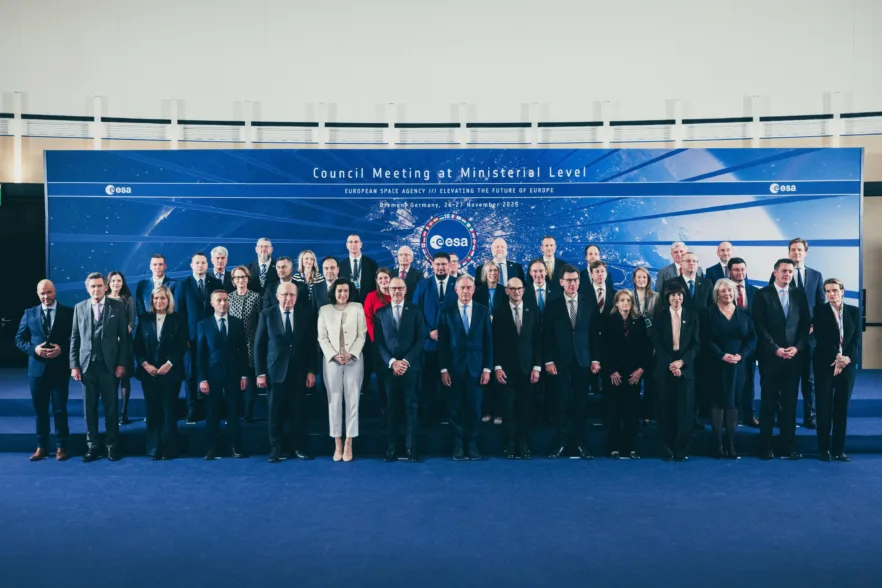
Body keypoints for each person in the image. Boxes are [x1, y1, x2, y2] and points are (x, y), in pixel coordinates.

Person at [70, 272, 131, 462]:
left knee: (111, 408)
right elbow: (74, 338)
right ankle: (92, 446)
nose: (96, 289)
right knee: (89, 409)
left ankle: (112, 446)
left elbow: (125, 340)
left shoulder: (117, 306)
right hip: (87, 367)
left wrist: (121, 364)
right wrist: (74, 365)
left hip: (109, 366)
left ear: (105, 287)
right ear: (87, 289)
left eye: (99, 286)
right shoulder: (79, 307)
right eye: (92, 286)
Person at [753, 258, 810, 460]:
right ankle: (765, 446)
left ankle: (787, 446)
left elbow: (805, 325)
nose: (787, 274)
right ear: (775, 272)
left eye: (790, 272)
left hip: (793, 358)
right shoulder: (762, 294)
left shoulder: (799, 294)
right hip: (770, 357)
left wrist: (797, 348)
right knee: (768, 402)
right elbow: (759, 326)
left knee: (790, 403)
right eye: (784, 271)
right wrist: (775, 349)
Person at [255, 282, 317, 463]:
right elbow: (259, 345)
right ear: (277, 296)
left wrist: (312, 371)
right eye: (285, 295)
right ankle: (276, 449)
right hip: (275, 372)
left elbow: (311, 346)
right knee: (274, 413)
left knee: (298, 412)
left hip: (299, 372)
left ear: (297, 297)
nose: (288, 298)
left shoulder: (306, 315)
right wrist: (260, 373)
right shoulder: (266, 314)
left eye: (292, 295)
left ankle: (297, 447)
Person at [544, 264, 602, 459]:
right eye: (568, 280)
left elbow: (594, 334)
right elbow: (547, 336)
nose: (572, 284)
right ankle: (560, 443)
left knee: (580, 405)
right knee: (560, 404)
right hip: (559, 363)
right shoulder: (552, 304)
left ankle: (579, 443)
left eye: (575, 280)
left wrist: (595, 359)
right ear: (561, 282)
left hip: (583, 361)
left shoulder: (588, 302)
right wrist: (548, 360)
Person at [768, 238, 826, 430]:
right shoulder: (779, 273)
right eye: (793, 249)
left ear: (806, 253)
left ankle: (810, 416)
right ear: (789, 252)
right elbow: (773, 304)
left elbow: (820, 305)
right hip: (786, 336)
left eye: (800, 250)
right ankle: (780, 415)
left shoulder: (816, 275)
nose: (796, 253)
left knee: (809, 379)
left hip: (809, 336)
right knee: (782, 378)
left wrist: (814, 326)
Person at [15, 280, 73, 461]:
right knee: (40, 411)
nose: (46, 296)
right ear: (38, 294)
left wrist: (62, 349)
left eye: (49, 292)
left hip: (60, 369)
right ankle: (41, 447)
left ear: (55, 292)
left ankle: (61, 447)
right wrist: (34, 350)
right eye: (42, 293)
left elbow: (76, 339)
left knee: (60, 410)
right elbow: (19, 339)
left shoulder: (69, 312)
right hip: (37, 370)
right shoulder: (29, 313)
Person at [699, 279, 757, 460]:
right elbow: (705, 338)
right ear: (717, 293)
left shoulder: (744, 313)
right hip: (715, 363)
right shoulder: (708, 313)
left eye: (730, 290)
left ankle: (731, 445)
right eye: (723, 291)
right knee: (717, 402)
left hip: (738, 365)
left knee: (733, 403)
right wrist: (721, 355)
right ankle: (717, 445)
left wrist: (742, 355)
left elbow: (752, 338)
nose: (727, 294)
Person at [439, 275, 493, 460]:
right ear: (456, 290)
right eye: (462, 288)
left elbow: (488, 341)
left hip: (476, 368)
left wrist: (487, 369)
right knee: (454, 409)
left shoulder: (483, 311)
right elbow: (443, 345)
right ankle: (459, 445)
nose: (465, 291)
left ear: (474, 289)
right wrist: (443, 369)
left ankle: (472, 444)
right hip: (453, 369)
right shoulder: (446, 312)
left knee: (475, 409)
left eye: (469, 287)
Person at [374, 277, 426, 461]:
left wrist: (405, 361)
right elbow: (378, 342)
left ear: (405, 290)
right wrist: (392, 362)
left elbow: (421, 339)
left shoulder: (416, 310)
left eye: (400, 288)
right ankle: (392, 448)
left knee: (411, 407)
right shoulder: (380, 313)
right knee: (391, 408)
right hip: (389, 369)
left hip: (410, 367)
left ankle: (411, 448)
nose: (396, 291)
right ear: (388, 290)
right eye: (393, 288)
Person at [133, 285, 187, 460]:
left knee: (168, 412)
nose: (159, 301)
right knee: (152, 412)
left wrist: (169, 364)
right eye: (156, 298)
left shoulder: (178, 319)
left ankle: (169, 449)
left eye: (163, 298)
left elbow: (182, 345)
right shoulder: (144, 318)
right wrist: (145, 364)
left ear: (169, 300)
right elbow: (137, 345)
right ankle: (154, 449)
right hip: (149, 373)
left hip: (170, 372)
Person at [318, 278, 367, 462]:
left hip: (354, 360)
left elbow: (362, 334)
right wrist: (334, 355)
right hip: (332, 361)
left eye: (346, 291)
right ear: (334, 292)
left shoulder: (357, 308)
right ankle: (337, 441)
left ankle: (349, 442)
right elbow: (322, 337)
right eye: (339, 291)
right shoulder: (324, 310)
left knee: (353, 400)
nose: (343, 294)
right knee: (334, 400)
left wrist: (352, 353)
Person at [196, 290, 250, 460]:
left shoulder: (237, 323)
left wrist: (244, 375)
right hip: (212, 376)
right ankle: (212, 448)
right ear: (212, 303)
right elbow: (200, 354)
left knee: (234, 412)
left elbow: (243, 351)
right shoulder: (203, 324)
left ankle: (235, 447)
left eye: (225, 300)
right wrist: (202, 379)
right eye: (219, 300)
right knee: (212, 413)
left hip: (234, 375)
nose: (223, 303)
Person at [493, 277, 541, 459]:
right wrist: (497, 366)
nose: (516, 292)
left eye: (519, 288)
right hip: (506, 370)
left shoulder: (533, 310)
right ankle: (510, 445)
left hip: (528, 369)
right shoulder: (500, 311)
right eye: (512, 289)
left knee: (525, 409)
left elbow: (538, 341)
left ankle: (523, 444)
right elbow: (495, 342)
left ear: (524, 290)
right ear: (507, 291)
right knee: (508, 410)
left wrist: (537, 366)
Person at [813, 278, 859, 462]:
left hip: (847, 366)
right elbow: (821, 338)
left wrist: (846, 359)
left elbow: (855, 340)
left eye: (835, 290)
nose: (831, 294)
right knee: (823, 407)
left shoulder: (854, 312)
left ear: (842, 291)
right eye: (828, 291)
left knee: (841, 407)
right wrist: (837, 357)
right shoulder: (819, 311)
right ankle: (824, 449)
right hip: (825, 364)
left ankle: (839, 450)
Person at [653, 282, 700, 462]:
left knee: (685, 411)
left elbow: (696, 344)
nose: (676, 298)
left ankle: (681, 450)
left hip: (686, 367)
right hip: (664, 367)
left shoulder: (692, 316)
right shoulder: (660, 316)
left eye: (679, 295)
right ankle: (666, 449)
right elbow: (657, 342)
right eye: (672, 295)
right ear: (667, 297)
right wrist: (671, 364)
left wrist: (681, 362)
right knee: (665, 410)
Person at [602, 290, 650, 459]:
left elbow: (646, 347)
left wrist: (641, 369)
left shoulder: (639, 321)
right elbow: (603, 347)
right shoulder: (608, 321)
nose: (625, 303)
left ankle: (630, 448)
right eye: (622, 300)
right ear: (616, 303)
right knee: (613, 412)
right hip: (614, 374)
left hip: (633, 374)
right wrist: (611, 370)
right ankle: (614, 448)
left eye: (628, 300)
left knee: (631, 412)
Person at [177, 252, 223, 423]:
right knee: (191, 375)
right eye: (197, 263)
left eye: (203, 263)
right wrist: (183, 337)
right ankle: (192, 409)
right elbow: (179, 313)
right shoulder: (183, 285)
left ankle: (212, 408)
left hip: (212, 335)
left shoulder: (216, 283)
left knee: (212, 371)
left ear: (207, 264)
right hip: (191, 337)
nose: (200, 265)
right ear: (191, 265)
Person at [412, 252, 458, 423]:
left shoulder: (458, 284)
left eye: (444, 264)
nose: (440, 267)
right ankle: (428, 418)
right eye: (437, 264)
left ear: (450, 265)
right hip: (429, 344)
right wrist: (428, 331)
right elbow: (416, 313)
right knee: (429, 382)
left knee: (451, 382)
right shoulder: (422, 285)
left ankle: (450, 416)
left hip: (452, 344)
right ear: (432, 265)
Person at [728, 257, 760, 427]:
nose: (740, 273)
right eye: (736, 269)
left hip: (750, 344)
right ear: (729, 272)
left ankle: (749, 415)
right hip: (730, 344)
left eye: (742, 269)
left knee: (749, 381)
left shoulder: (755, 291)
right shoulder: (723, 291)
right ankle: (730, 416)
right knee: (730, 381)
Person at [228, 265, 262, 423]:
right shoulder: (228, 298)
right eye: (237, 277)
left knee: (250, 381)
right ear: (233, 281)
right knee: (234, 380)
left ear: (247, 279)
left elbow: (260, 322)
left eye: (243, 277)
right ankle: (235, 413)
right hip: (233, 346)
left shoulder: (256, 297)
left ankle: (248, 413)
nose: (240, 280)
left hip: (251, 344)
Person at [475, 260, 506, 425]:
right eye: (490, 270)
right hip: (482, 337)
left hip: (501, 337)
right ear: (485, 274)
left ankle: (500, 412)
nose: (493, 273)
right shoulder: (477, 292)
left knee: (500, 375)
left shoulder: (504, 291)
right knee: (485, 374)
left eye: (496, 270)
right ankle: (486, 410)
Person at [107, 271, 136, 425]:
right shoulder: (104, 299)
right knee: (110, 380)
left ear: (122, 283)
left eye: (119, 281)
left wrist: (121, 336)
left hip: (125, 343)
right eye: (113, 281)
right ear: (108, 283)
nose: (116, 283)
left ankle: (124, 413)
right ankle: (112, 413)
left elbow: (131, 322)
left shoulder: (128, 300)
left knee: (125, 378)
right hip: (108, 345)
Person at [632, 267, 660, 426]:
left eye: (645, 277)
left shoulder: (656, 297)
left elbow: (660, 322)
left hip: (651, 343)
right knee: (634, 379)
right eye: (639, 277)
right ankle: (633, 413)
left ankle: (648, 414)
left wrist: (656, 344)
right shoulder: (629, 296)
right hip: (634, 343)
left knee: (651, 381)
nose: (642, 280)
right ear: (634, 279)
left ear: (648, 280)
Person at [364, 267, 393, 411]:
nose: (383, 280)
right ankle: (383, 408)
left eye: (386, 278)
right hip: (378, 345)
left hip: (395, 345)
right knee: (382, 377)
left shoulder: (396, 294)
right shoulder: (371, 296)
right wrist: (377, 340)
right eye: (380, 278)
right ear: (376, 280)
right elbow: (367, 319)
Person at [338, 234, 378, 301]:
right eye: (351, 242)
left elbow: (375, 286)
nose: (353, 244)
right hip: (348, 302)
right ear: (347, 246)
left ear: (361, 244)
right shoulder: (341, 265)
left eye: (356, 242)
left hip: (368, 302)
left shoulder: (372, 264)